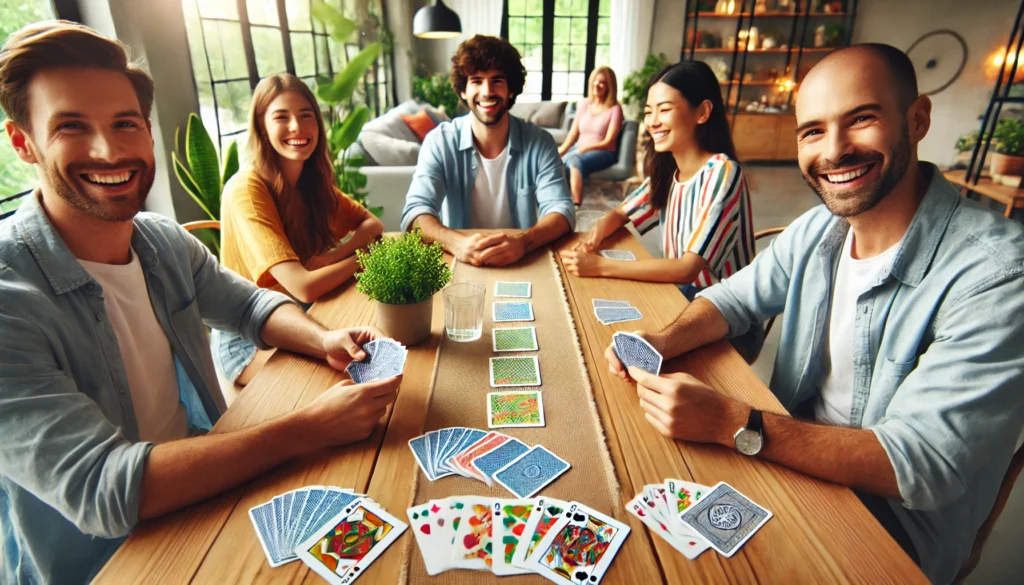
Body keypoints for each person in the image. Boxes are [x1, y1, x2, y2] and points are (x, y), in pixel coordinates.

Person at [604, 44, 1024, 585]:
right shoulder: (816, 229)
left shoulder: (999, 273)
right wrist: (665, 340)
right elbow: (731, 299)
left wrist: (732, 422)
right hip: (781, 453)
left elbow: (922, 462)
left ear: (917, 120)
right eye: (812, 131)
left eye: (862, 119)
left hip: (892, 529)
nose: (835, 151)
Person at [0, 21, 401, 585]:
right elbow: (105, 490)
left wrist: (325, 339)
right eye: (71, 126)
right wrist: (306, 428)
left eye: (125, 123)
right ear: (23, 143)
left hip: (209, 488)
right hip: (106, 561)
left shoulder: (161, 240)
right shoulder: (7, 298)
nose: (109, 149)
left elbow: (251, 308)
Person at [215, 73, 384, 388]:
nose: (297, 127)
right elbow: (303, 287)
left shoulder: (310, 180)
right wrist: (362, 256)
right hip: (248, 340)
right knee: (348, 376)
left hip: (302, 314)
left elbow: (372, 225)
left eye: (306, 116)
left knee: (381, 343)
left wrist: (337, 254)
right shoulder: (246, 189)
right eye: (282, 117)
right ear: (262, 126)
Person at [560, 61, 755, 298]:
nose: (652, 122)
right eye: (648, 111)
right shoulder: (669, 171)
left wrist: (598, 266)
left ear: (702, 112)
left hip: (724, 308)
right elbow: (620, 213)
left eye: (664, 109)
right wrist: (594, 238)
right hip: (682, 293)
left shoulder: (723, 173)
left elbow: (686, 269)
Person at [401, 35, 574, 267]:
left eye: (497, 80)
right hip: (458, 259)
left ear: (511, 90)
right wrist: (456, 243)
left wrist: (524, 242)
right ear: (463, 90)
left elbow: (562, 210)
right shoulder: (439, 142)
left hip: (521, 259)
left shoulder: (540, 142)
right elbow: (415, 213)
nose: (487, 91)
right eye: (476, 80)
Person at [557, 66, 623, 206]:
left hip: (603, 152)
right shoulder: (585, 104)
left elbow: (608, 141)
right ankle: (555, 201)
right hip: (579, 149)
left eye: (602, 82)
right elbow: (574, 132)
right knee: (555, 161)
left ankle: (576, 205)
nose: (596, 85)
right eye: (595, 81)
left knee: (574, 160)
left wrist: (585, 149)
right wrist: (562, 149)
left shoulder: (615, 108)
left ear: (609, 86)